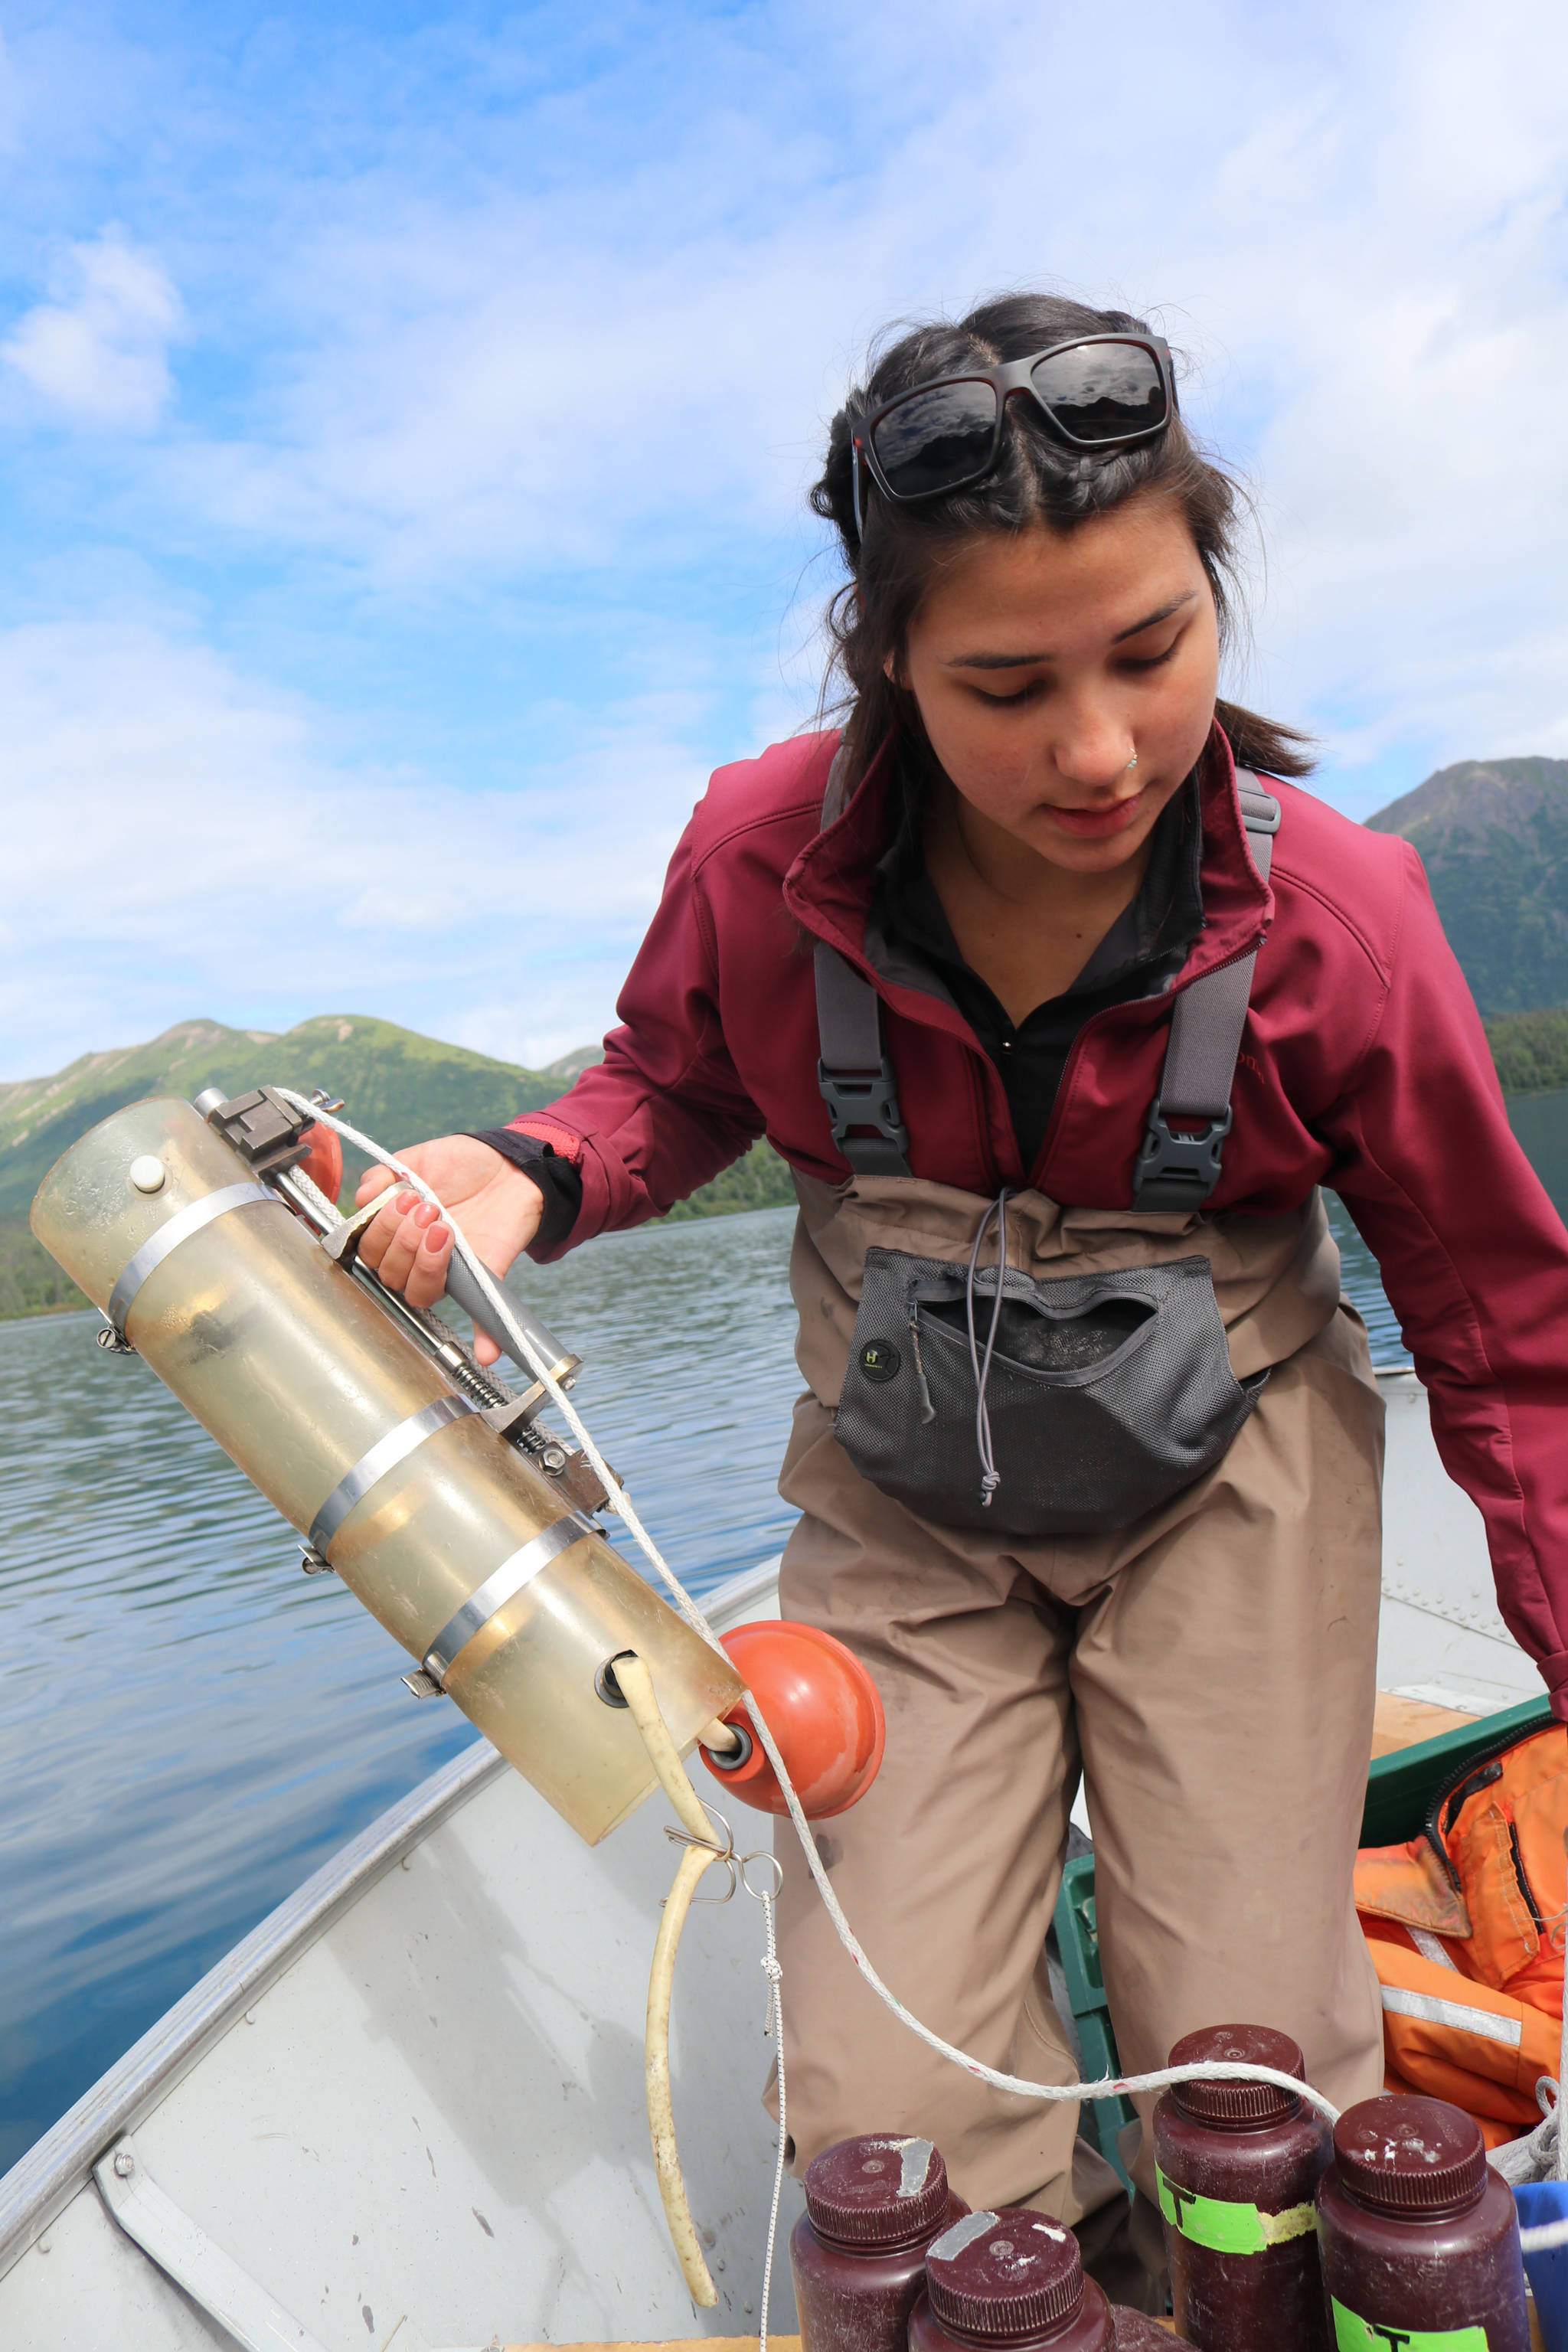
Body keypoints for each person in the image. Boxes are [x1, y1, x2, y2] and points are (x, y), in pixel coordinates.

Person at [354, 291, 1568, 2301]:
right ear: (889, 661)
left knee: (1246, 2065)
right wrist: (539, 1168)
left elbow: (1510, 1342)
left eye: (1152, 654)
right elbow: (669, 1080)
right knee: (882, 2109)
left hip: (1236, 1499)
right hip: (904, 1512)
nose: (1096, 749)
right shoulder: (761, 855)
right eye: (1007, 685)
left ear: (1212, 602)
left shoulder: (1343, 912)